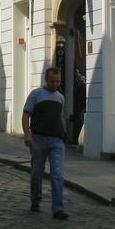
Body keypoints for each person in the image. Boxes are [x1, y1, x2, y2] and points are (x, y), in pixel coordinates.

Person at [21, 67, 68, 220]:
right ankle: (35, 201)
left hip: (56, 141)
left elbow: (60, 117)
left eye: (58, 81)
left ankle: (58, 209)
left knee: (57, 174)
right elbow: (25, 115)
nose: (55, 84)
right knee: (37, 173)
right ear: (46, 80)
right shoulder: (36, 95)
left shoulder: (61, 98)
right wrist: (27, 135)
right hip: (38, 139)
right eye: (52, 81)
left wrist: (63, 133)